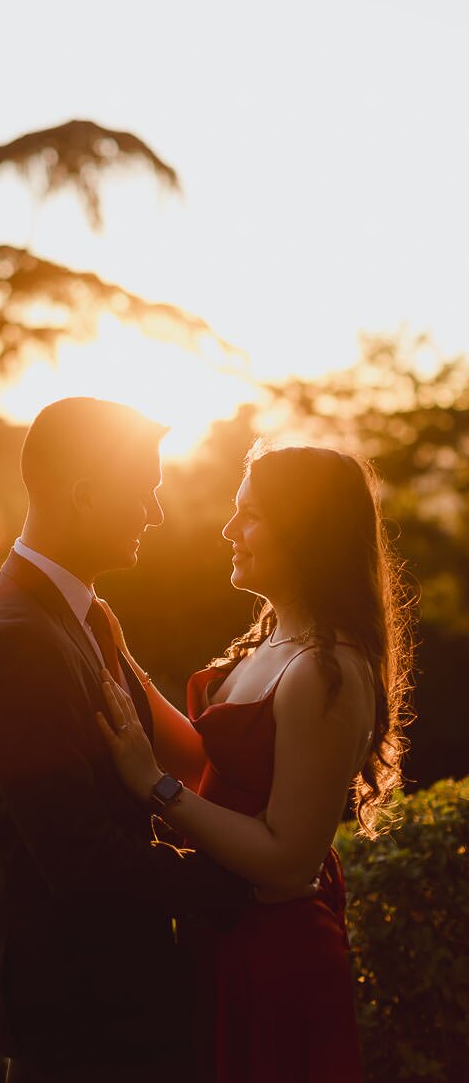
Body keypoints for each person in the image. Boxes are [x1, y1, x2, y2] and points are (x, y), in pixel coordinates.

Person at [0, 397, 250, 1083]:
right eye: (143, 492)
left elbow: (193, 752)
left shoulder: (88, 615)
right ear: (84, 496)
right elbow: (79, 861)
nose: (156, 513)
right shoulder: (15, 643)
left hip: (126, 1007)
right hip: (78, 1029)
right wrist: (233, 883)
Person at [98, 442, 413, 1083]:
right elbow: (210, 763)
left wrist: (153, 788)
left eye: (250, 514)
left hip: (277, 956)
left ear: (305, 531)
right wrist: (108, 641)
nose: (227, 529)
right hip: (225, 936)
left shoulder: (326, 672)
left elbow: (288, 858)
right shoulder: (275, 639)